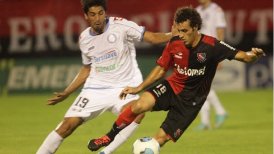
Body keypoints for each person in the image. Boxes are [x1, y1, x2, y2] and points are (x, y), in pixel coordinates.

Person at [88, 6, 265, 151]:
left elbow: (243, 56)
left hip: (190, 103)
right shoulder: (175, 42)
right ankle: (108, 137)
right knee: (139, 105)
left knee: (157, 141)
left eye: (185, 31)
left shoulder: (212, 46)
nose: (180, 34)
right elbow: (161, 69)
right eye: (178, 30)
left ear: (196, 28)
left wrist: (254, 55)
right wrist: (138, 88)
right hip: (172, 87)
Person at [36, 0, 172, 153]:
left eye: (101, 13)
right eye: (93, 14)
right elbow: (86, 69)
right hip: (95, 88)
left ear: (105, 13)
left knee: (137, 113)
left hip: (124, 86)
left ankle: (105, 152)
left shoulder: (121, 26)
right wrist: (67, 92)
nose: (98, 18)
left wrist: (173, 34)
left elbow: (152, 38)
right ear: (86, 16)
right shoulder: (84, 38)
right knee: (67, 126)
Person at [195, 0, 228, 130]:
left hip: (212, 49)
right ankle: (207, 120)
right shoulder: (198, 10)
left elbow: (220, 32)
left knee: (200, 85)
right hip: (200, 50)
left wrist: (220, 54)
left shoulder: (216, 10)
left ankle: (216, 114)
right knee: (200, 86)